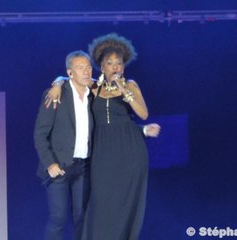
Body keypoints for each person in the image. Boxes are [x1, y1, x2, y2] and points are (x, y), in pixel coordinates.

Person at [46, 33, 159, 240]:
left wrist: (124, 89)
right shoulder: (94, 88)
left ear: (123, 67)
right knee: (101, 201)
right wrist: (57, 82)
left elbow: (143, 114)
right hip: (102, 152)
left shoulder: (131, 85)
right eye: (110, 63)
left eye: (119, 63)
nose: (115, 67)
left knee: (124, 202)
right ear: (102, 66)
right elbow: (70, 77)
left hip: (129, 151)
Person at [34, 50, 93, 240]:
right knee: (58, 218)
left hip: (82, 166)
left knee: (82, 217)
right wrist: (50, 163)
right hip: (59, 165)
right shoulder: (56, 95)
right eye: (80, 68)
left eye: (88, 67)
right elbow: (40, 134)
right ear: (70, 73)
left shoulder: (94, 95)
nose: (86, 72)